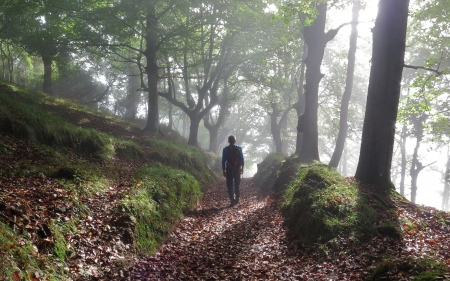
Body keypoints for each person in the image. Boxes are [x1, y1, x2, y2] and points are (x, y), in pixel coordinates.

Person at [222, 135, 244, 206]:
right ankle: (237, 199)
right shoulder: (239, 148)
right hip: (237, 169)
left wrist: (223, 170)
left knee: (230, 184)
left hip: (229, 169)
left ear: (228, 141)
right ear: (235, 141)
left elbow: (223, 161)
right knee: (237, 184)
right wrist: (242, 168)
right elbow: (242, 159)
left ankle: (232, 200)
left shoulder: (225, 149)